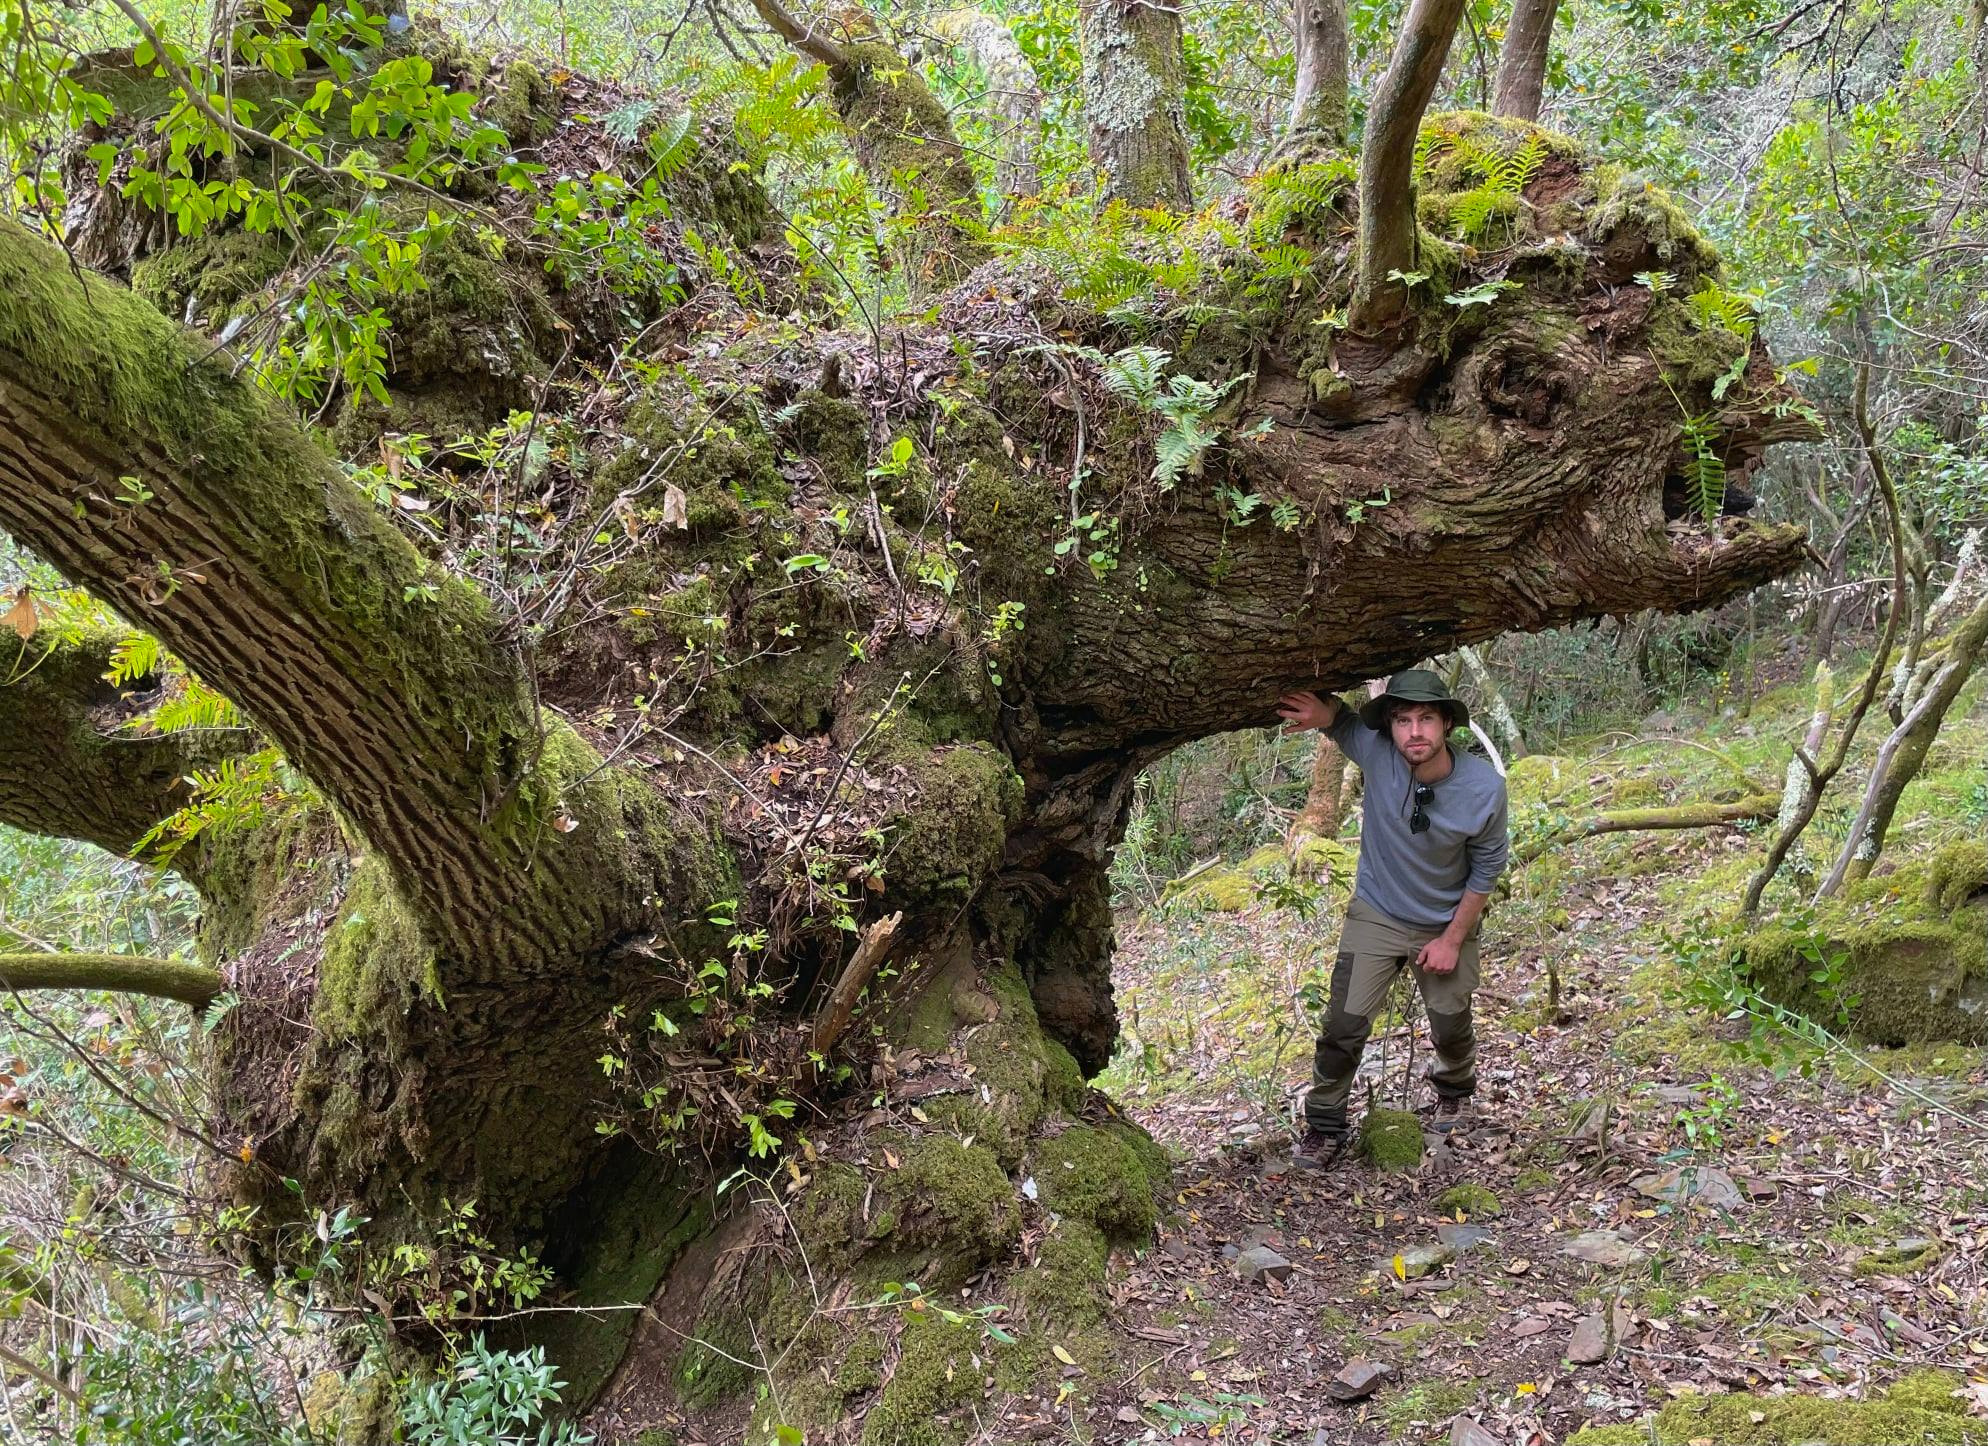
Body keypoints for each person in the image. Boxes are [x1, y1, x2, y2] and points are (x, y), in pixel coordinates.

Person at [1274, 669, 1510, 1169]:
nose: (1414, 732)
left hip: (1446, 920)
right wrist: (1320, 711)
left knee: (1450, 1021)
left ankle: (1454, 1090)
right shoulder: (1378, 752)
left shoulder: (1484, 787)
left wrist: (1452, 939)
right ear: (1390, 726)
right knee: (1343, 1025)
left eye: (1426, 719)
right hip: (1378, 913)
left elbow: (1487, 868)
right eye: (1402, 720)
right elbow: (1342, 723)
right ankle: (1325, 1126)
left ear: (1447, 724)